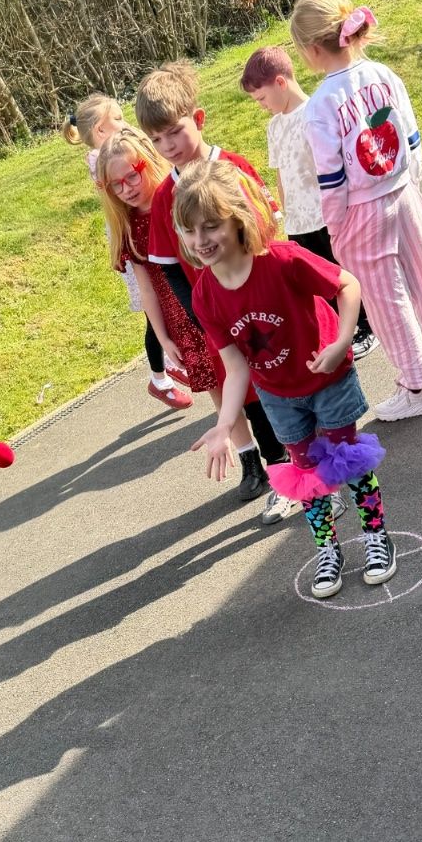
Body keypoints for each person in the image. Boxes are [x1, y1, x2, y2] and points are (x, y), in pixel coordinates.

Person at [178, 158, 397, 599]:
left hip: (327, 378)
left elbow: (347, 285)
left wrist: (343, 338)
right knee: (305, 475)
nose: (200, 240)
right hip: (279, 395)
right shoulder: (204, 295)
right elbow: (236, 366)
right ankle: (328, 549)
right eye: (189, 230)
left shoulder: (281, 260)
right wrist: (224, 423)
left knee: (348, 461)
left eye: (211, 226)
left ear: (237, 219)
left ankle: (376, 535)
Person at [292, 0, 422, 422]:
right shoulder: (382, 74)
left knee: (384, 298)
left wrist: (336, 227)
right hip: (404, 193)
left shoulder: (321, 105)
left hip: (361, 209)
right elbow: (412, 138)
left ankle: (416, 384)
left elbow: (332, 178)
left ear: (312, 49)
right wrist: (410, 184)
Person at [134, 61, 290, 510]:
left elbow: (268, 232)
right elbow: (169, 268)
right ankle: (279, 474)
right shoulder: (164, 198)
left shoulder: (233, 168)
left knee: (285, 382)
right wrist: (204, 319)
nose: (169, 146)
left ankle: (310, 464)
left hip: (263, 305)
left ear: (198, 119)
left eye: (175, 132)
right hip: (220, 320)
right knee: (250, 396)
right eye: (157, 139)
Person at [96, 127, 263, 480]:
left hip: (213, 300)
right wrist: (163, 338)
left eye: (132, 176)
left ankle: (281, 443)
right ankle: (248, 457)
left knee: (251, 370)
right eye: (117, 185)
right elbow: (147, 290)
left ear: (147, 161)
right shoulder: (128, 228)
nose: (128, 189)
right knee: (217, 386)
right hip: (181, 319)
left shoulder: (179, 199)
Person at [239, 45, 376, 359]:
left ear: (280, 83)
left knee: (341, 273)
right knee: (317, 281)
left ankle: (366, 326)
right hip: (298, 221)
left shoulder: (314, 113)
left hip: (325, 215)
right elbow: (281, 174)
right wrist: (283, 213)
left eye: (262, 98)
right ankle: (338, 332)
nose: (261, 106)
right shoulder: (275, 126)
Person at [63, 94, 192, 411]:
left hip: (139, 239)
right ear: (100, 130)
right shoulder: (102, 158)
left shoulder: (111, 156)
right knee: (154, 305)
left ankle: (164, 370)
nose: (125, 124)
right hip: (135, 243)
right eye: (118, 120)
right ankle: (162, 374)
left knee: (162, 304)